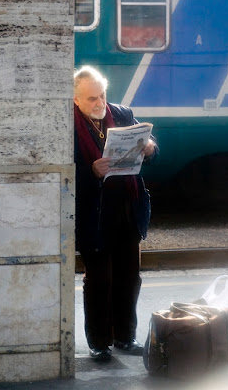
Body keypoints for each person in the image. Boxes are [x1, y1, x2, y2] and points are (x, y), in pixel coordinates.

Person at [74, 66, 158, 361]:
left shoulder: (121, 114)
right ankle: (99, 343)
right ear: (75, 100)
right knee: (98, 280)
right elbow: (65, 174)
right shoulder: (67, 124)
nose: (99, 104)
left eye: (102, 96)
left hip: (127, 209)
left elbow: (152, 148)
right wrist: (89, 171)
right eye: (91, 99)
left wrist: (149, 148)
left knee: (129, 277)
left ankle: (125, 336)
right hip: (93, 215)